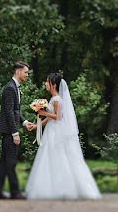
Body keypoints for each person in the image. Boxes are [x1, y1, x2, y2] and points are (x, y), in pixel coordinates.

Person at [24, 72, 102, 200]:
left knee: (57, 156)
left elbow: (58, 117)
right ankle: (54, 188)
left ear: (53, 85)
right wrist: (37, 125)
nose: (45, 84)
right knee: (51, 156)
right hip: (52, 129)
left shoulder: (56, 100)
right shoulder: (54, 98)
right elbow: (51, 118)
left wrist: (43, 112)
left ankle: (62, 187)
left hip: (56, 132)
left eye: (47, 82)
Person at [0, 61, 35, 200]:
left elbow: (15, 111)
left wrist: (24, 122)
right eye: (25, 72)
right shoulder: (10, 88)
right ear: (18, 72)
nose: (27, 75)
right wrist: (15, 133)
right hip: (9, 131)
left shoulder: (14, 87)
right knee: (11, 162)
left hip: (8, 130)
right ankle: (15, 192)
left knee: (4, 162)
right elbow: (9, 112)